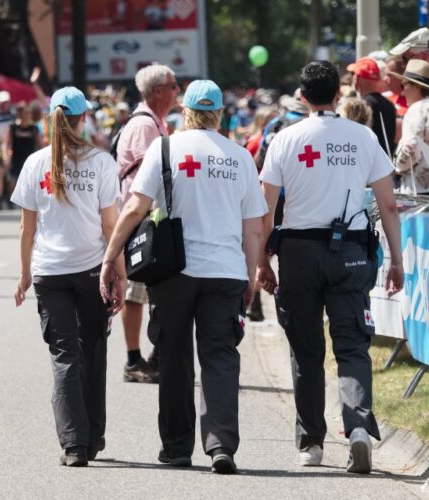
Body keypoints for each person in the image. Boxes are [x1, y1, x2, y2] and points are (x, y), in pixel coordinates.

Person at [101, 79, 266, 475]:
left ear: (186, 112)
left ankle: (176, 447)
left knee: (173, 359)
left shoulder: (165, 148)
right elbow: (254, 227)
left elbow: (135, 207)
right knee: (221, 359)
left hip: (174, 271)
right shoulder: (240, 156)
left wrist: (111, 258)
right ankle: (221, 444)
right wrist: (250, 278)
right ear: (220, 114)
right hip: (225, 272)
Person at [257, 61, 404, 474]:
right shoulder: (362, 136)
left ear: (302, 97)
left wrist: (261, 263)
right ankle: (357, 426)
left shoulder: (285, 140)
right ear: (339, 95)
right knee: (353, 345)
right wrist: (397, 258)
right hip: (352, 252)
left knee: (306, 350)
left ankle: (311, 444)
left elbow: (265, 211)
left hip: (300, 253)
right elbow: (388, 204)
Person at [11, 87, 121, 467]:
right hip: (91, 268)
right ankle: (93, 438)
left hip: (50, 272)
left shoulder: (34, 162)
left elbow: (27, 230)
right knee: (93, 350)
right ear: (83, 118)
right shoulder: (102, 162)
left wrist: (24, 274)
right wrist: (118, 272)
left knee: (63, 355)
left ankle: (73, 444)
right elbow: (111, 225)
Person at [114, 63, 176, 383]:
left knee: (150, 292)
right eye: (173, 86)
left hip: (148, 218)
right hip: (142, 219)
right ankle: (134, 359)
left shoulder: (154, 122)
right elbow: (147, 177)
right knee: (137, 293)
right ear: (158, 91)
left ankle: (151, 356)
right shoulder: (144, 126)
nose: (177, 92)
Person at [391, 59, 429, 197]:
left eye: (403, 86)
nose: (402, 92)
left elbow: (411, 149)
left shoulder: (417, 109)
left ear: (416, 86)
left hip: (420, 192)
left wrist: (396, 168)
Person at [349, 57, 396, 156]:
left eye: (353, 74)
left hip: (369, 164)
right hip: (387, 163)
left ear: (357, 78)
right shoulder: (389, 104)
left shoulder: (360, 106)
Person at [4, 103, 42, 203]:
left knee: (29, 179)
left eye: (28, 112)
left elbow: (40, 144)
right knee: (13, 178)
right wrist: (6, 157)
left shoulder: (34, 128)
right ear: (19, 114)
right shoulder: (12, 127)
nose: (27, 115)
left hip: (30, 158)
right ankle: (12, 200)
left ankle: (28, 199)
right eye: (25, 113)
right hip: (16, 157)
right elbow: (6, 143)